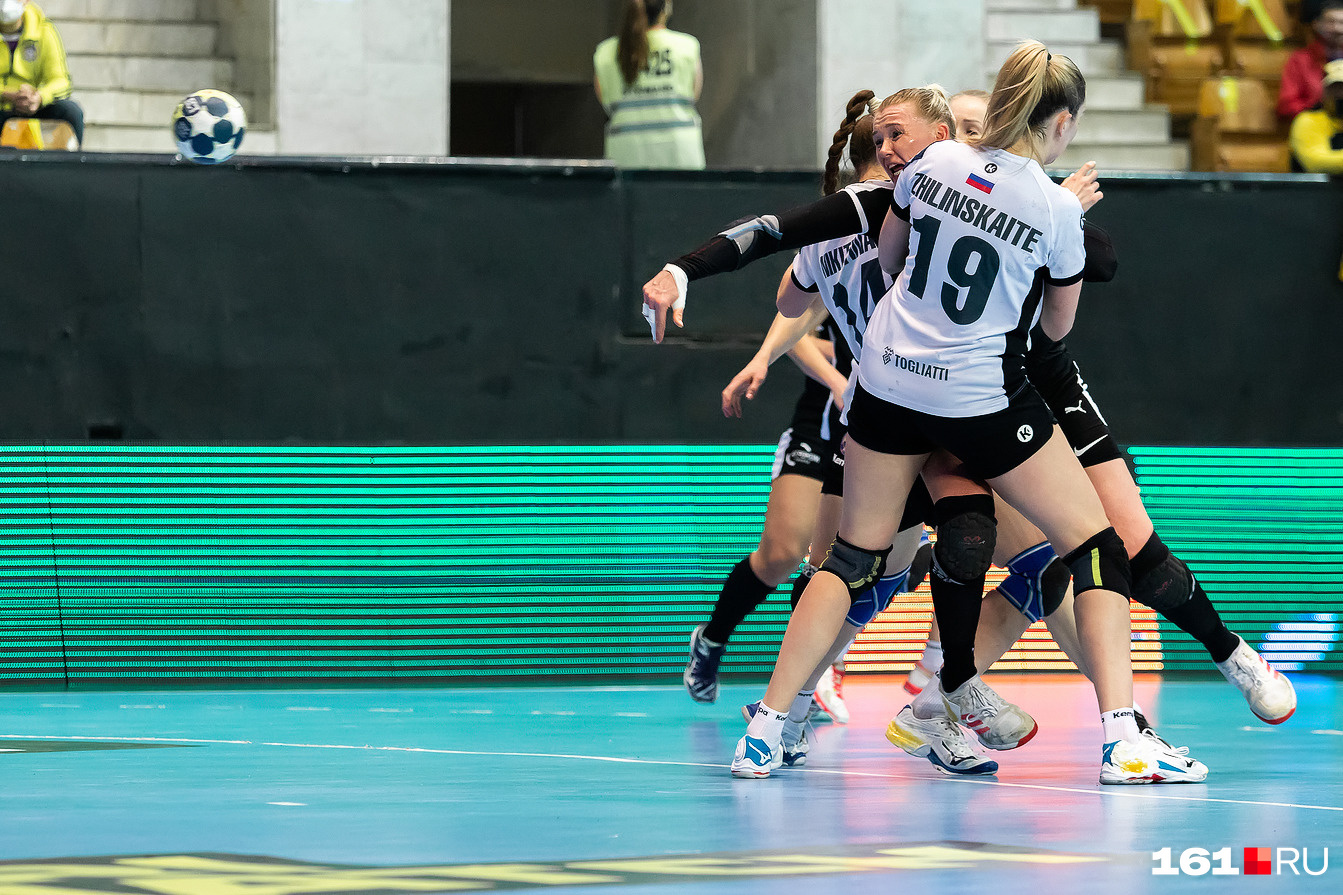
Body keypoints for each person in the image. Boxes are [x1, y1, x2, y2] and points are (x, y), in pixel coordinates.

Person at [730, 42, 1208, 785]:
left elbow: (875, 263)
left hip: (884, 386)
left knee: (861, 560)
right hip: (970, 401)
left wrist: (689, 278)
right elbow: (1052, 331)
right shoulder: (1051, 204)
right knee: (1090, 544)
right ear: (1062, 123)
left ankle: (777, 724)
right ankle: (1116, 735)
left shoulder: (933, 170)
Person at [682, 316, 849, 704]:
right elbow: (794, 333)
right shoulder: (836, 277)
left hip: (880, 435)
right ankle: (712, 639)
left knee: (847, 561)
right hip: (818, 429)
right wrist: (838, 374)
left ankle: (815, 678)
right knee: (783, 554)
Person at [593, 0, 704, 170]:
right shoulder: (687, 46)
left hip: (627, 159)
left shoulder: (605, 53)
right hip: (681, 159)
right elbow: (694, 94)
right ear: (666, 7)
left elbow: (603, 99)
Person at [0, 0, 82, 147]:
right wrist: (6, 95)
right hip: (2, 103)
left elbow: (61, 80)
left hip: (34, 103)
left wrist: (39, 97)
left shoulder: (44, 30)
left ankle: (75, 161)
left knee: (71, 112)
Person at [1279, 0, 1343, 121]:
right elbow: (1286, 106)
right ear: (1316, 24)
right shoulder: (1300, 60)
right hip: (1315, 125)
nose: (1337, 29)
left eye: (1342, 23)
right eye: (1331, 22)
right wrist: (1318, 105)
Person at [1290, 59, 1343, 173]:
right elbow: (1316, 162)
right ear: (1324, 92)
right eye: (1336, 88)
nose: (1340, 94)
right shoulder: (1308, 121)